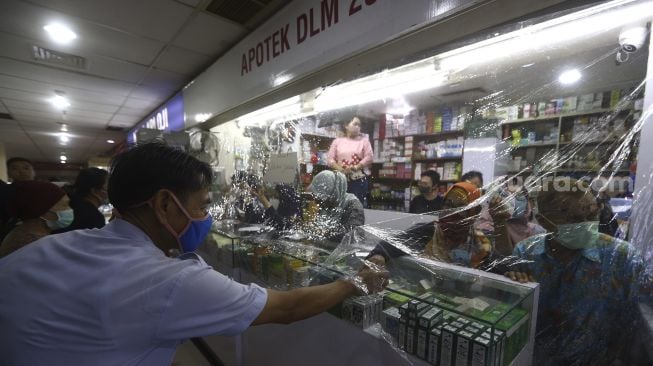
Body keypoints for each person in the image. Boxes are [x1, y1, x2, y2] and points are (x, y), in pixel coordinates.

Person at [0, 142, 387, 365]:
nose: (206, 218)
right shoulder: (170, 281)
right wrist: (355, 281)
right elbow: (285, 309)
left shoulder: (44, 248)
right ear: (166, 205)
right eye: (202, 206)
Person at [505, 178, 650, 365]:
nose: (586, 224)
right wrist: (512, 285)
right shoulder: (526, 253)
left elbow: (643, 307)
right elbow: (516, 314)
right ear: (544, 222)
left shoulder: (621, 257)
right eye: (574, 219)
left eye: (592, 215)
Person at [0, 181, 72, 257]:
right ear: (43, 211)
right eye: (64, 205)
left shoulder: (24, 232)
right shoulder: (33, 244)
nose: (70, 209)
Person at [307, 170, 365, 242]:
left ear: (332, 192)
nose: (317, 201)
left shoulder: (352, 204)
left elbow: (355, 235)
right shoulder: (327, 203)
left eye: (320, 197)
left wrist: (326, 232)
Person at [327, 116, 373, 206]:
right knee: (339, 206)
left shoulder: (364, 142)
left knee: (356, 206)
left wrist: (356, 167)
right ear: (346, 125)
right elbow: (330, 159)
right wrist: (340, 169)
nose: (358, 127)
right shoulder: (337, 142)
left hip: (358, 180)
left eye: (359, 125)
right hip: (341, 179)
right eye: (355, 124)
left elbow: (369, 157)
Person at [53, 168, 109, 233]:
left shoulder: (68, 203)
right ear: (94, 191)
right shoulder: (94, 218)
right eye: (107, 187)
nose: (110, 191)